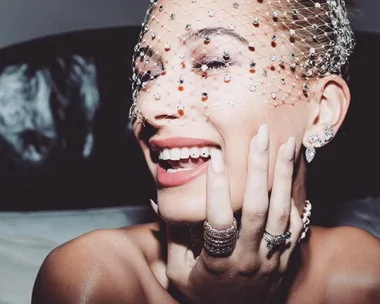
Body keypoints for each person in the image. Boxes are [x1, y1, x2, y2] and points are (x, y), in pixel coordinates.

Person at [32, 0, 380, 303]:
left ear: (321, 112)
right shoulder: (92, 279)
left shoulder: (366, 276)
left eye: (214, 63)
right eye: (148, 74)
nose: (150, 105)